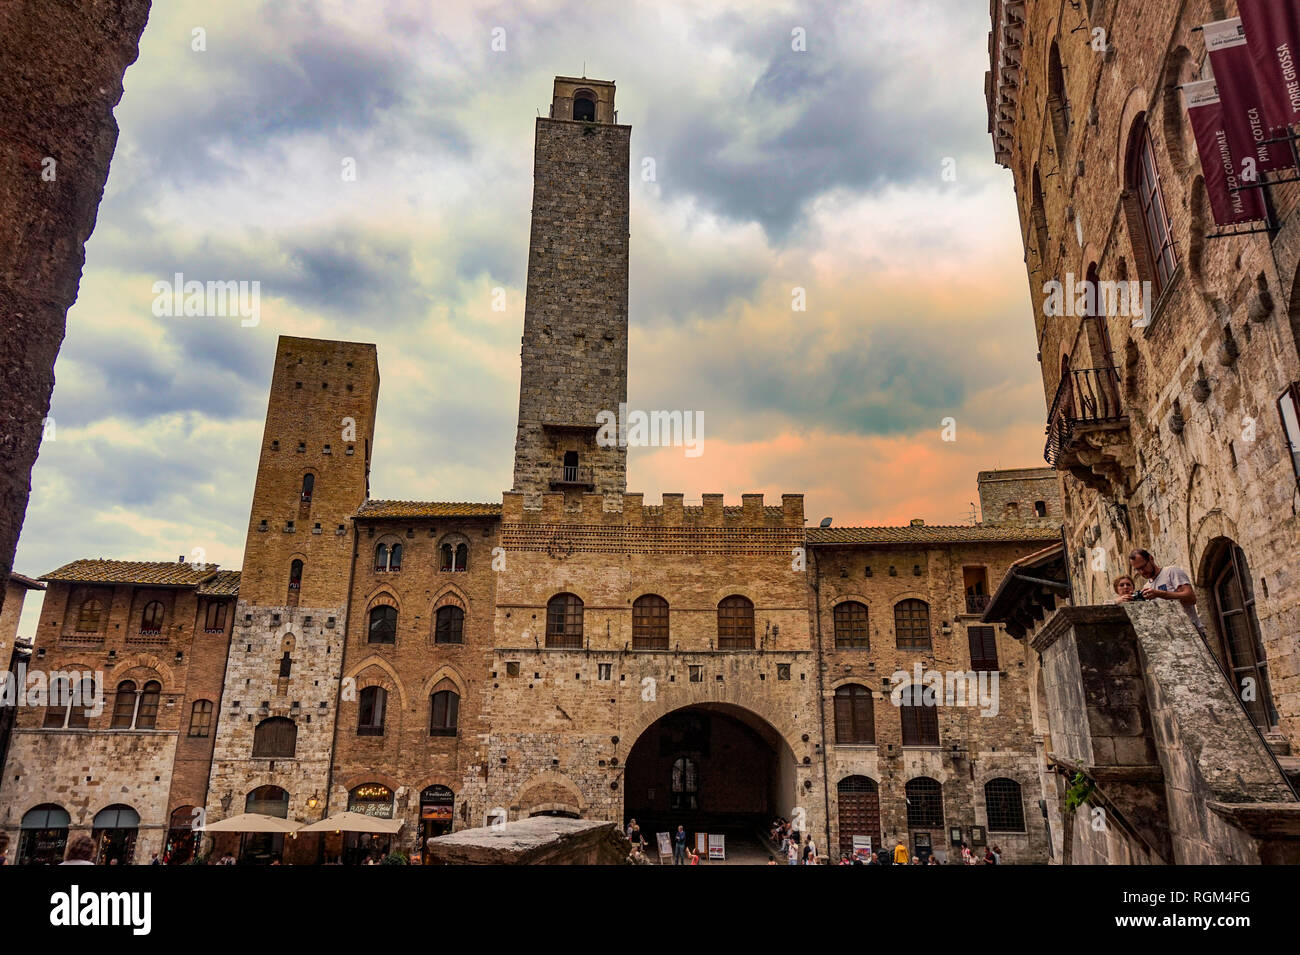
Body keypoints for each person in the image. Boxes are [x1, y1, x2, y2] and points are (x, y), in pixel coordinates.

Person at [1128, 549, 1205, 634]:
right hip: (1171, 635)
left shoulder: (1171, 572)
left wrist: (1161, 594)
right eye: (1137, 569)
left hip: (1192, 632)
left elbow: (1191, 598)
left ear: (1151, 559)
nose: (1142, 572)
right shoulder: (1146, 587)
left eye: (1143, 567)